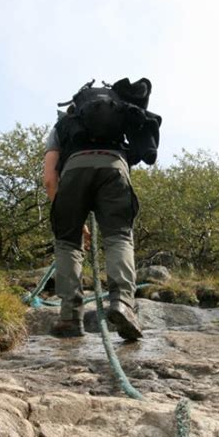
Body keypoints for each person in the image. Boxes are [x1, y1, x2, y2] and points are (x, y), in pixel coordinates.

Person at [43, 96, 145, 341]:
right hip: (114, 168)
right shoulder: (118, 121)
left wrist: (73, 221)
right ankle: (122, 304)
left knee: (67, 244)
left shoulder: (62, 125)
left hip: (73, 172)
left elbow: (49, 179)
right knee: (119, 238)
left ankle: (69, 317)